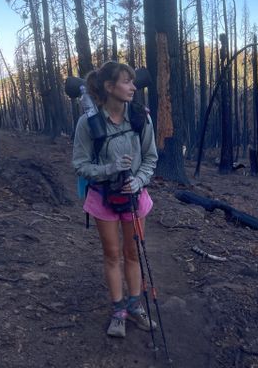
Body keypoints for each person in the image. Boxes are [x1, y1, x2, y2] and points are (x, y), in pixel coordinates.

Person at [72, 61, 158, 338]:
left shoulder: (140, 117)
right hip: (102, 197)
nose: (133, 87)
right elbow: (80, 164)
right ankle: (118, 311)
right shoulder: (88, 123)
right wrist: (109, 170)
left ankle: (135, 306)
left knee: (133, 253)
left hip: (134, 197)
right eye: (126, 81)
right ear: (109, 87)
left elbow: (150, 158)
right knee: (112, 255)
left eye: (133, 81)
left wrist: (139, 180)